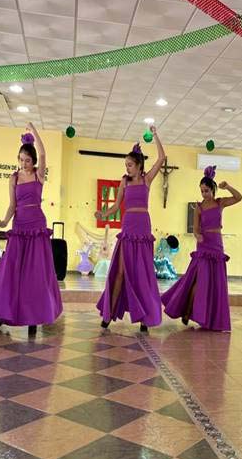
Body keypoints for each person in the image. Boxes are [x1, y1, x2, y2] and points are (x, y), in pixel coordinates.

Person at [0, 123, 62, 335]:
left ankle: (34, 317)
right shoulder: (13, 178)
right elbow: (12, 205)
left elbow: (43, 154)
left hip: (37, 227)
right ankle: (0, 312)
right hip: (19, 225)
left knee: (35, 273)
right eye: (21, 160)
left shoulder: (38, 175)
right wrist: (5, 221)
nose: (24, 163)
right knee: (9, 270)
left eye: (27, 160)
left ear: (33, 162)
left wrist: (34, 131)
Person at [96, 126, 165, 332]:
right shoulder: (124, 182)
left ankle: (144, 318)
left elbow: (161, 158)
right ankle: (108, 315)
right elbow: (117, 206)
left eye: (130, 165)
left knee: (142, 274)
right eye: (126, 165)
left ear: (139, 165)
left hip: (143, 227)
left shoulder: (147, 179)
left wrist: (156, 135)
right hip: (127, 228)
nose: (127, 168)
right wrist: (104, 214)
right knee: (120, 272)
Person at [162, 166, 242, 331]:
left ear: (212, 189)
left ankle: (212, 319)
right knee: (198, 282)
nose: (204, 194)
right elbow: (195, 229)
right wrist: (197, 235)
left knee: (215, 283)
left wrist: (227, 187)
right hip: (204, 245)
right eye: (202, 191)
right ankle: (187, 311)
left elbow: (239, 197)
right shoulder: (199, 207)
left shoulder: (220, 203)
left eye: (206, 190)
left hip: (217, 244)